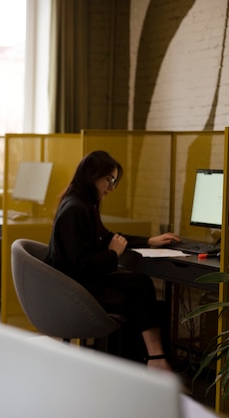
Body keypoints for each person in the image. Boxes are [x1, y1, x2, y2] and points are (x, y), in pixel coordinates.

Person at [44, 150, 180, 372]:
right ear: (92, 175)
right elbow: (78, 265)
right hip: (74, 290)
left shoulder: (82, 203)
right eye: (109, 179)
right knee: (140, 288)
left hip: (77, 284)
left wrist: (149, 241)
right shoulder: (76, 209)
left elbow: (107, 237)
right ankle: (156, 360)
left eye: (114, 181)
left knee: (141, 288)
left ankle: (154, 360)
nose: (112, 187)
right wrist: (113, 255)